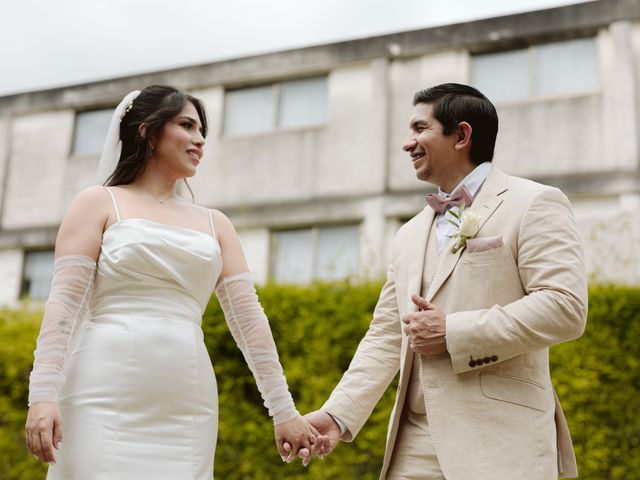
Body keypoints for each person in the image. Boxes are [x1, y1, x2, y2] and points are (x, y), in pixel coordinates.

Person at [25, 85, 318, 479]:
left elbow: (250, 323)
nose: (200, 140)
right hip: (100, 389)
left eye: (203, 132)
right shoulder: (97, 203)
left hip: (186, 399)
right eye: (187, 126)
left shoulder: (217, 224)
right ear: (148, 131)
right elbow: (64, 305)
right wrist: (42, 394)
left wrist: (283, 409)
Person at [298, 83, 588, 479]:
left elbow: (564, 307)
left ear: (462, 135)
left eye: (420, 129)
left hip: (501, 441)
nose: (407, 143)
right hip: (413, 444)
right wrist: (337, 414)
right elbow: (387, 334)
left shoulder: (535, 202)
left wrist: (452, 331)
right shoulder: (408, 234)